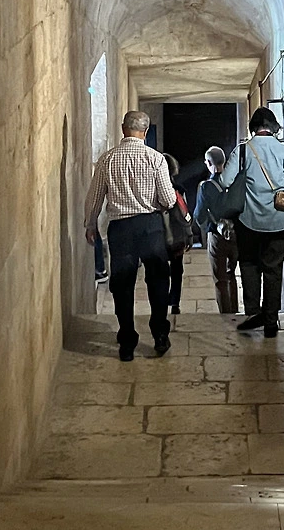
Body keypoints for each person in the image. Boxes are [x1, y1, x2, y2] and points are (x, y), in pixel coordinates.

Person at [84, 109, 178, 361]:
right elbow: (168, 199)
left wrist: (90, 225)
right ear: (145, 132)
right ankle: (160, 335)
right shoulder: (156, 159)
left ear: (123, 129)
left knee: (122, 285)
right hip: (150, 226)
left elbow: (94, 197)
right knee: (158, 281)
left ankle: (127, 342)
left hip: (121, 229)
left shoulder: (107, 159)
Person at [218, 108, 284, 337]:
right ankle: (270, 322)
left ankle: (253, 312)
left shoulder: (243, 150)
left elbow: (225, 181)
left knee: (249, 264)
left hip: (249, 221)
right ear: (274, 127)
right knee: (273, 269)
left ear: (253, 128)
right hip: (280, 222)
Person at [193, 145, 239, 314]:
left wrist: (207, 228)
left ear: (209, 163)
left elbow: (199, 215)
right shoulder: (234, 182)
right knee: (232, 274)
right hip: (236, 234)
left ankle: (226, 314)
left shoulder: (206, 187)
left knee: (220, 279)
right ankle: (235, 311)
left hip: (217, 234)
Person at [162, 154, 192, 320]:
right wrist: (189, 234)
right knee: (177, 270)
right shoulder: (179, 189)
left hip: (159, 237)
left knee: (160, 271)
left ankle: (161, 300)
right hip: (177, 236)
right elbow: (184, 214)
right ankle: (175, 302)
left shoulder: (152, 190)